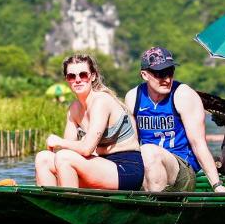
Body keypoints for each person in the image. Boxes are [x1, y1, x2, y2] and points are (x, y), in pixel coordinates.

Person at [125, 46, 225, 193]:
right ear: (144, 75)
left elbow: (198, 144)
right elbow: (131, 144)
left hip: (182, 169)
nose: (167, 79)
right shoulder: (133, 97)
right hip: (147, 164)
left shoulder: (184, 95)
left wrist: (217, 185)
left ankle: (156, 209)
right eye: (160, 74)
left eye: (170, 72)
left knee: (148, 151)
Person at [35, 54, 145, 190]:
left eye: (83, 75)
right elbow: (68, 149)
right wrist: (63, 146)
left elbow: (86, 149)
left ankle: (71, 204)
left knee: (64, 157)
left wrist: (59, 141)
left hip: (126, 168)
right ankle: (50, 205)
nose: (77, 80)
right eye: (71, 76)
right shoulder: (74, 109)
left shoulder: (101, 101)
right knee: (43, 158)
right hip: (99, 165)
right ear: (67, 79)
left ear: (92, 76)